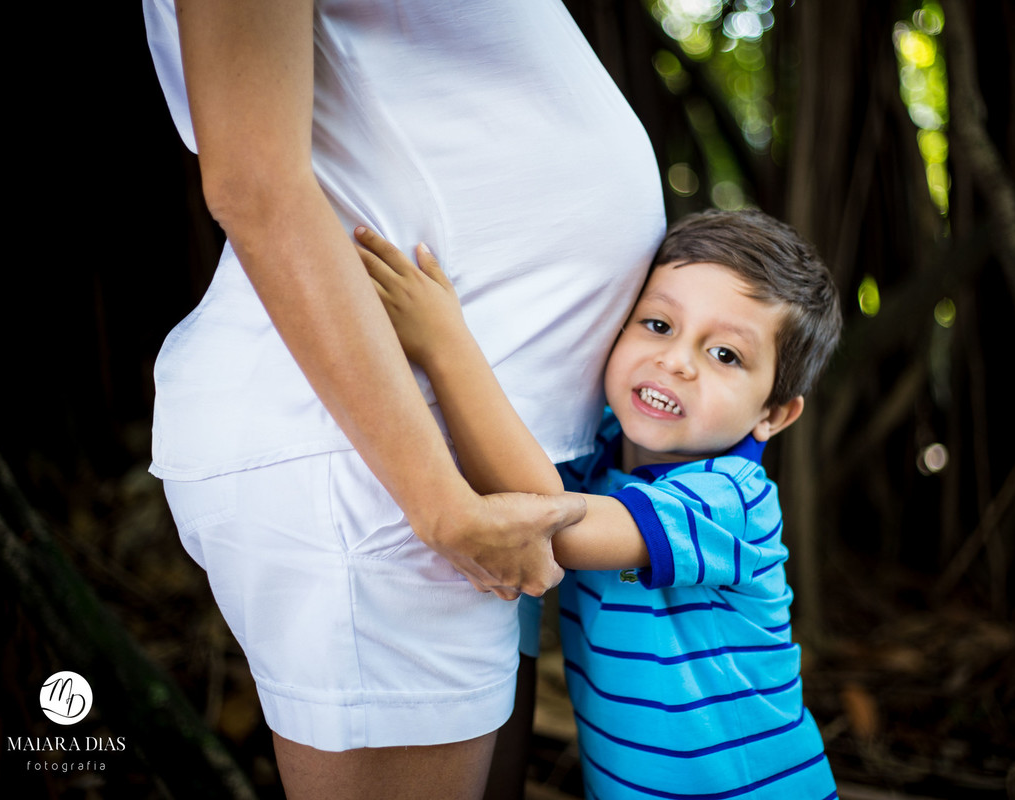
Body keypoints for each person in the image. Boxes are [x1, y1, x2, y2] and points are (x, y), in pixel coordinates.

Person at [142, 0, 664, 797]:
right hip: (382, 468)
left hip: (466, 475)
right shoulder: (426, 498)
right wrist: (438, 504)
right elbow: (253, 181)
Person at [354, 207, 842, 798]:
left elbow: (554, 529)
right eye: (659, 325)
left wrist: (444, 344)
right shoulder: (600, 450)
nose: (677, 362)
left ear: (774, 413)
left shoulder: (731, 500)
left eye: (725, 355)